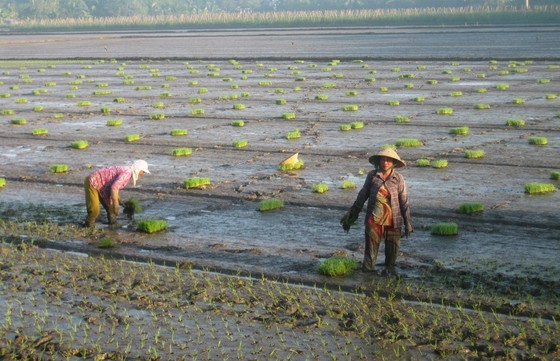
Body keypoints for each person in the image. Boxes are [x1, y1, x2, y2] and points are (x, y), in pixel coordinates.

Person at [340, 148, 413, 276]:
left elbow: (404, 201)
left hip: (393, 221)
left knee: (392, 251)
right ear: (378, 161)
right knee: (370, 251)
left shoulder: (398, 178)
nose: (386, 162)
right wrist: (352, 215)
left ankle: (389, 270)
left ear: (394, 163)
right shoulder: (372, 176)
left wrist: (408, 222)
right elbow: (362, 196)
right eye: (383, 159)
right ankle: (367, 275)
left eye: (389, 160)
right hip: (374, 220)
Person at [84, 159, 150, 227]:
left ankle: (112, 225)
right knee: (95, 211)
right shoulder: (127, 173)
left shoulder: (128, 171)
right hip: (92, 181)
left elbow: (115, 187)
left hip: (103, 185)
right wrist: (116, 204)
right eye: (143, 172)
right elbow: (114, 188)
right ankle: (88, 225)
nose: (142, 174)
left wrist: (119, 201)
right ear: (138, 169)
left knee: (111, 208)